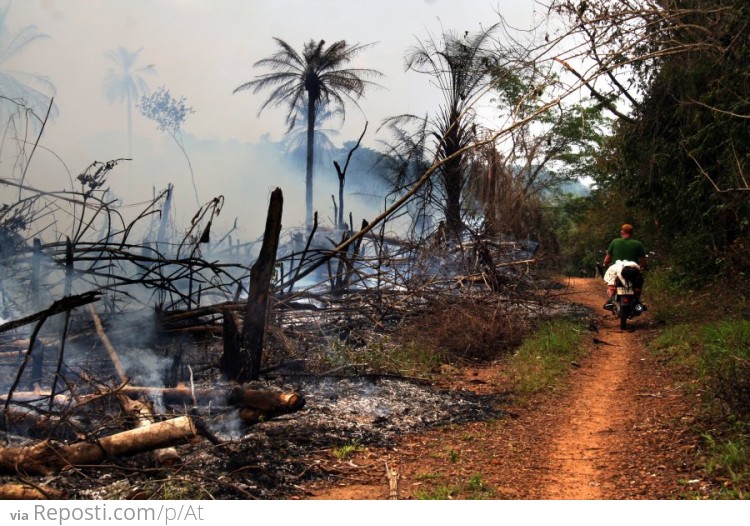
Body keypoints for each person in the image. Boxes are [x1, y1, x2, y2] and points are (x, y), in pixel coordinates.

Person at [602, 224, 648, 310]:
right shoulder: (638, 244)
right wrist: (644, 268)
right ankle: (637, 301)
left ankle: (611, 300)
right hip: (632, 271)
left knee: (612, 283)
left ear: (622, 232)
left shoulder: (615, 242)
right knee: (638, 284)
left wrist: (605, 264)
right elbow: (643, 262)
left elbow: (607, 259)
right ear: (632, 233)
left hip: (616, 270)